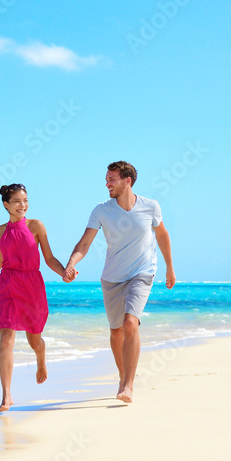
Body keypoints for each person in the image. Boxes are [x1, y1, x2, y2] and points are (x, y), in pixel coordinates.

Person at [63, 161, 175, 404]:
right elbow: (85, 243)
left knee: (130, 323)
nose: (107, 183)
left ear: (128, 180)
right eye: (106, 179)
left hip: (142, 273)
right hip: (112, 277)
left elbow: (162, 235)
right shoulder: (101, 210)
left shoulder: (150, 206)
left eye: (112, 179)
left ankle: (128, 385)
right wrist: (72, 263)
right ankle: (123, 375)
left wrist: (169, 268)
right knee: (115, 331)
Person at [0, 183, 68, 413]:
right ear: (6, 205)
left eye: (26, 200)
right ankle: (6, 395)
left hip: (32, 286)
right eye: (18, 201)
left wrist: (64, 273)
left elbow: (48, 258)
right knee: (6, 338)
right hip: (8, 286)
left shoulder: (36, 226)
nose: (23, 205)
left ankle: (40, 358)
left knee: (33, 339)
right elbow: (1, 258)